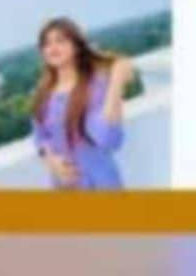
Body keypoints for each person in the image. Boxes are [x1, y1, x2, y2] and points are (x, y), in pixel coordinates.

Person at [32, 17, 135, 190]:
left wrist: (116, 83)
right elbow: (40, 137)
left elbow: (109, 139)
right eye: (46, 43)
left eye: (60, 41)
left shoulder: (95, 86)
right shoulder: (44, 93)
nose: (52, 48)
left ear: (76, 46)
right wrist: (50, 160)